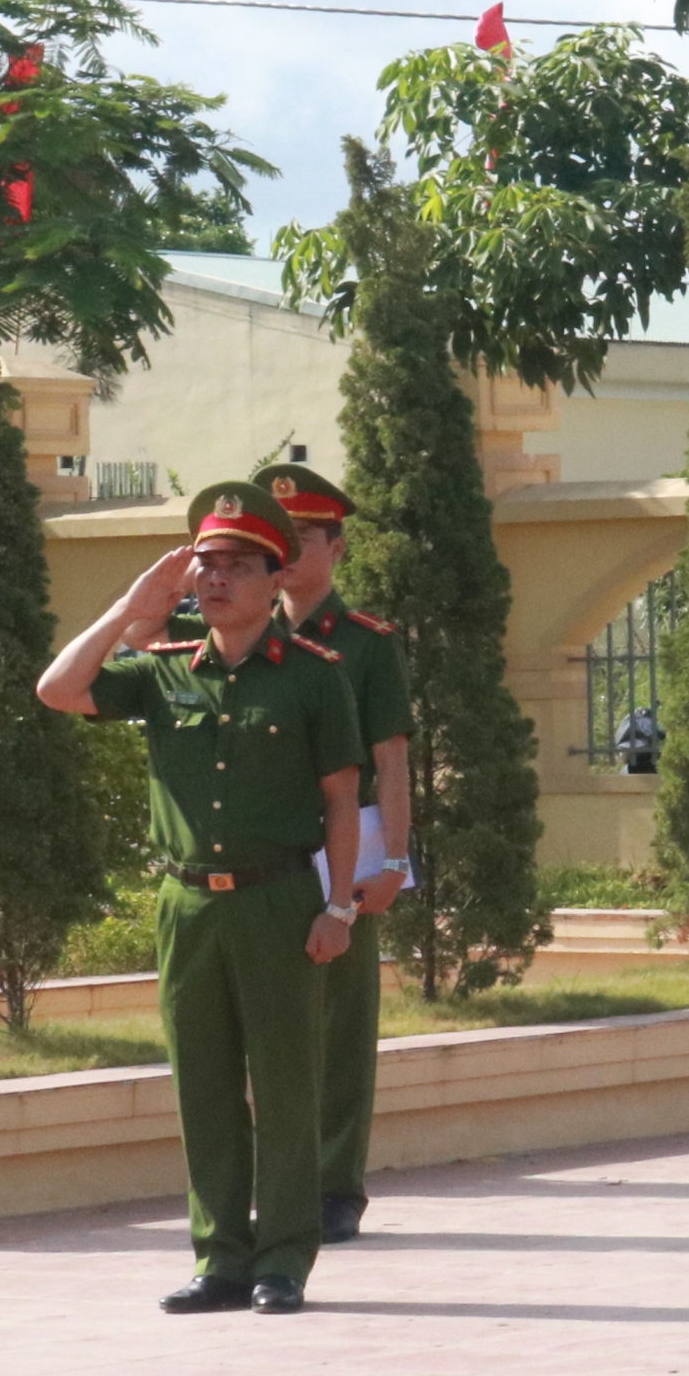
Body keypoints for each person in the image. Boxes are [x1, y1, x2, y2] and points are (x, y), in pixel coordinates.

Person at [38, 480, 364, 1314]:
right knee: (203, 1085)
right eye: (204, 565)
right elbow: (58, 690)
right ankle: (220, 1256)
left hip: (280, 900)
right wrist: (130, 606)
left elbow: (339, 798)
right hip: (188, 906)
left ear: (273, 576)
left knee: (286, 1084)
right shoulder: (160, 670)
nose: (214, 580)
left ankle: (283, 1258)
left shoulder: (314, 676)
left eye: (235, 566)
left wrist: (339, 908)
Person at [249, 463, 413, 1248]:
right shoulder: (246, 635)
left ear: (337, 547)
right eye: (275, 538)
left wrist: (395, 863)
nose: (286, 551)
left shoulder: (364, 644)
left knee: (341, 1023)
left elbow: (390, 762)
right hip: (263, 850)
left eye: (303, 537)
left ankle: (335, 1184)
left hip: (342, 852)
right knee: (270, 1023)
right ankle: (276, 1181)